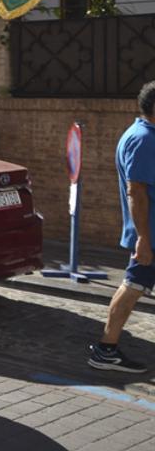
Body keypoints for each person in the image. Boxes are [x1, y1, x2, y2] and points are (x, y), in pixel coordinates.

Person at [88, 81, 155, 373]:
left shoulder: (143, 133)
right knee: (132, 286)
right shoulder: (143, 139)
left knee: (133, 285)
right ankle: (105, 349)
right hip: (151, 234)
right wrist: (143, 238)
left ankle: (106, 348)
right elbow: (135, 191)